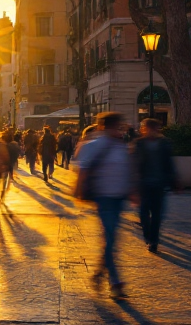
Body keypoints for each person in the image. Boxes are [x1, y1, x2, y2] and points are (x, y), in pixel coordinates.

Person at [75, 112, 134, 298]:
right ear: (104, 127)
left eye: (120, 127)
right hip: (103, 196)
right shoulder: (94, 145)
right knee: (110, 240)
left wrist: (133, 191)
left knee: (111, 239)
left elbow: (128, 170)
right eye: (116, 127)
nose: (119, 130)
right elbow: (82, 169)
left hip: (119, 197)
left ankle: (100, 273)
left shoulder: (122, 147)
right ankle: (115, 282)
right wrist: (78, 190)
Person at [133, 118, 176, 253]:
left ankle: (154, 240)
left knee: (157, 214)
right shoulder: (139, 144)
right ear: (144, 129)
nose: (151, 131)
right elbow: (134, 165)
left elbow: (169, 163)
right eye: (148, 128)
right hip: (143, 184)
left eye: (153, 128)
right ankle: (148, 235)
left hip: (159, 183)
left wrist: (174, 180)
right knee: (143, 213)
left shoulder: (164, 143)